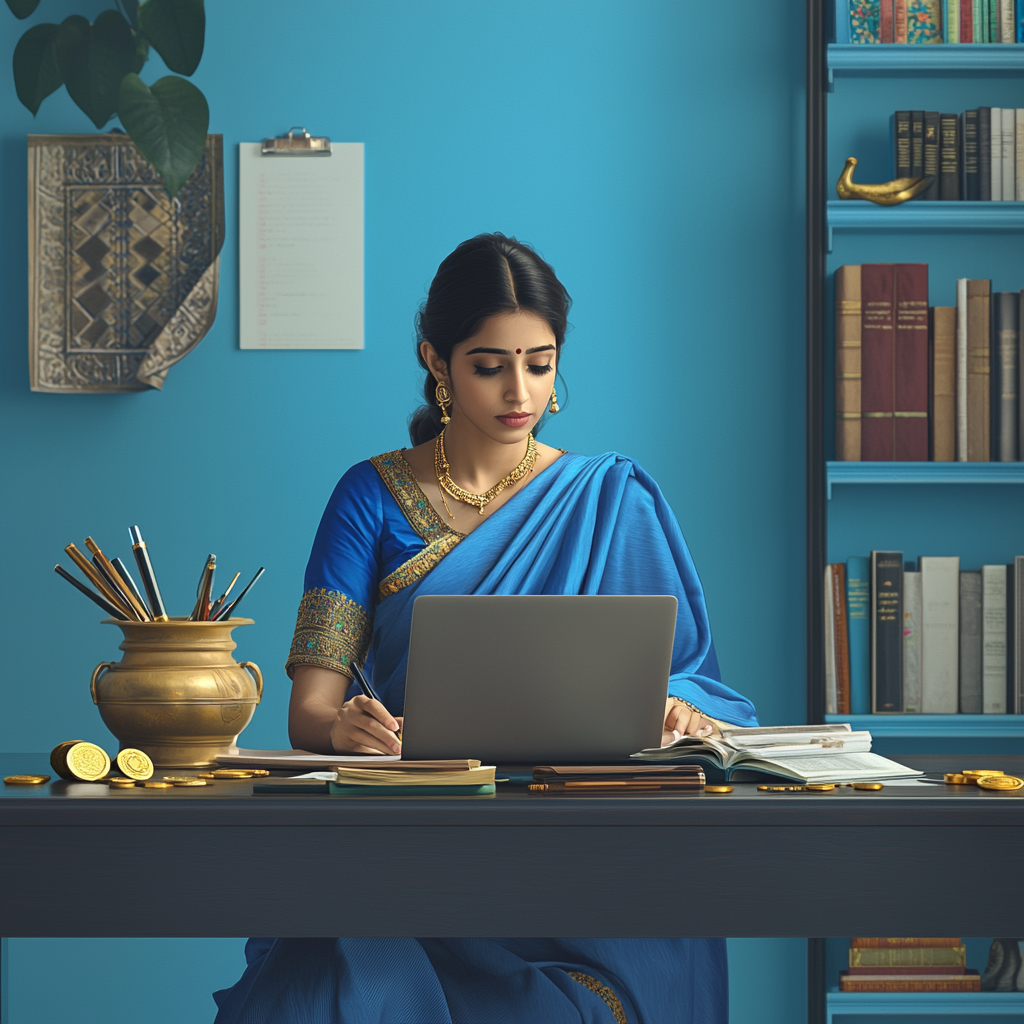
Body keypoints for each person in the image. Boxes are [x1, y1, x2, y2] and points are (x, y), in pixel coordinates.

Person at [213, 233, 758, 1024]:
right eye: (489, 364)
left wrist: (671, 704)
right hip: (414, 849)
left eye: (540, 363)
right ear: (437, 361)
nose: (520, 391)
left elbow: (693, 675)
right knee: (332, 972)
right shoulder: (367, 499)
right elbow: (310, 711)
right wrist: (347, 728)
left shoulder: (610, 497)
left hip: (584, 855)